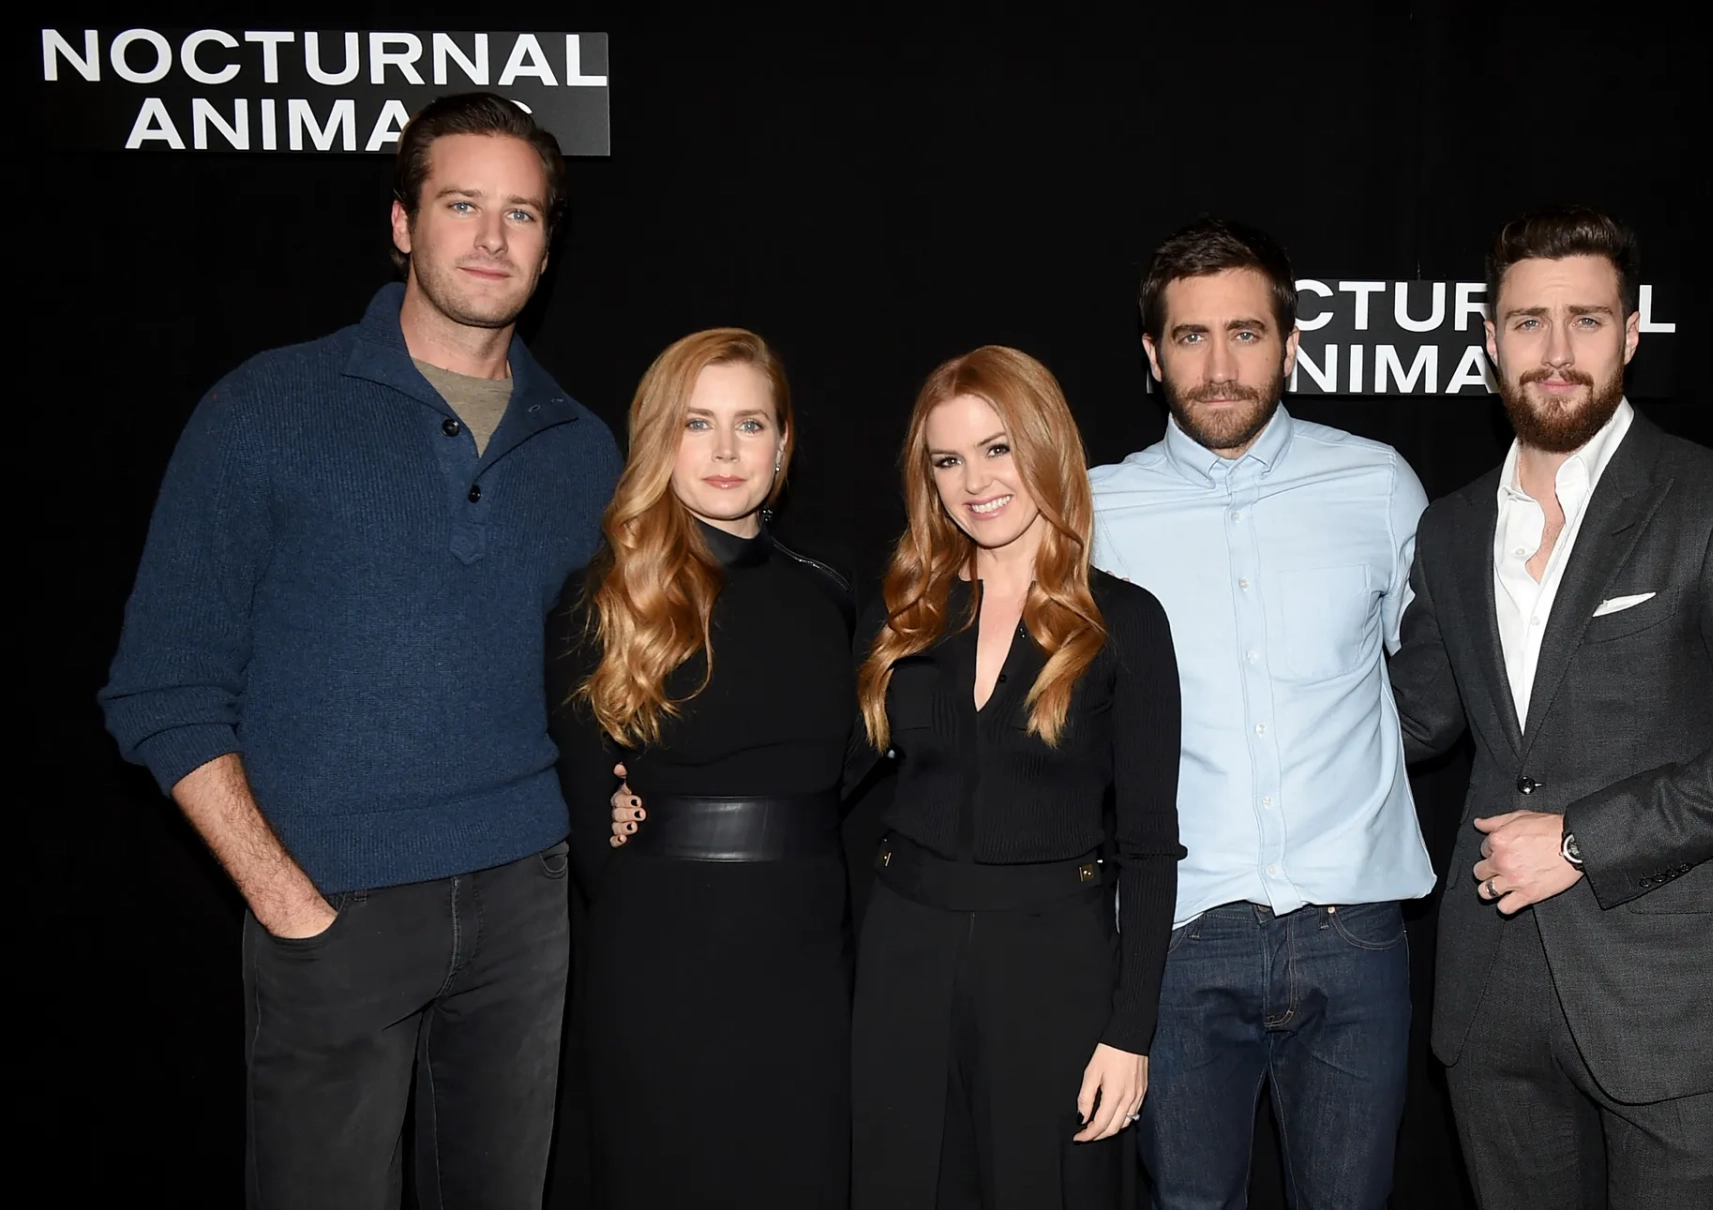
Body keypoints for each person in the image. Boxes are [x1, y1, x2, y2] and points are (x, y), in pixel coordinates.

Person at [98, 92, 617, 1209]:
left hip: (525, 905)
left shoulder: (583, 446)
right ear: (401, 222)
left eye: (521, 214)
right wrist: (287, 899)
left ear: (547, 242)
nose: (491, 238)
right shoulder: (266, 407)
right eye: (462, 204)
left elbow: (603, 667)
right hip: (330, 900)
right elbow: (161, 686)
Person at [1389, 205, 1713, 1209]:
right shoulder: (1452, 525)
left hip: (1672, 994)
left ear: (1633, 334)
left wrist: (1586, 840)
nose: (1556, 353)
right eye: (1527, 323)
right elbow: (1416, 717)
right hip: (1491, 995)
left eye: (1586, 322)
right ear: (1488, 339)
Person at [1087, 217, 1433, 1209]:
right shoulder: (1096, 512)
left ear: (1289, 343)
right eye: (1191, 337)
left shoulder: (1375, 484)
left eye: (1247, 332)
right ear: (1153, 357)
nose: (1222, 363)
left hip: (1355, 931)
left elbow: (1451, 681)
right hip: (1178, 938)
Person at [845, 346, 1184, 1208]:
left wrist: (1130, 1031)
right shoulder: (902, 612)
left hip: (1053, 964)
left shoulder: (1125, 623)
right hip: (903, 956)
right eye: (947, 460)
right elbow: (821, 775)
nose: (974, 481)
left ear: (1044, 448)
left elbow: (1148, 846)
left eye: (996, 449)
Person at [551, 328, 856, 1208]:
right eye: (697, 423)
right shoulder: (604, 599)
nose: (726, 451)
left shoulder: (830, 592)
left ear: (784, 443)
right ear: (659, 439)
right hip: (662, 960)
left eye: (750, 424)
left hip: (808, 958)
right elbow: (585, 824)